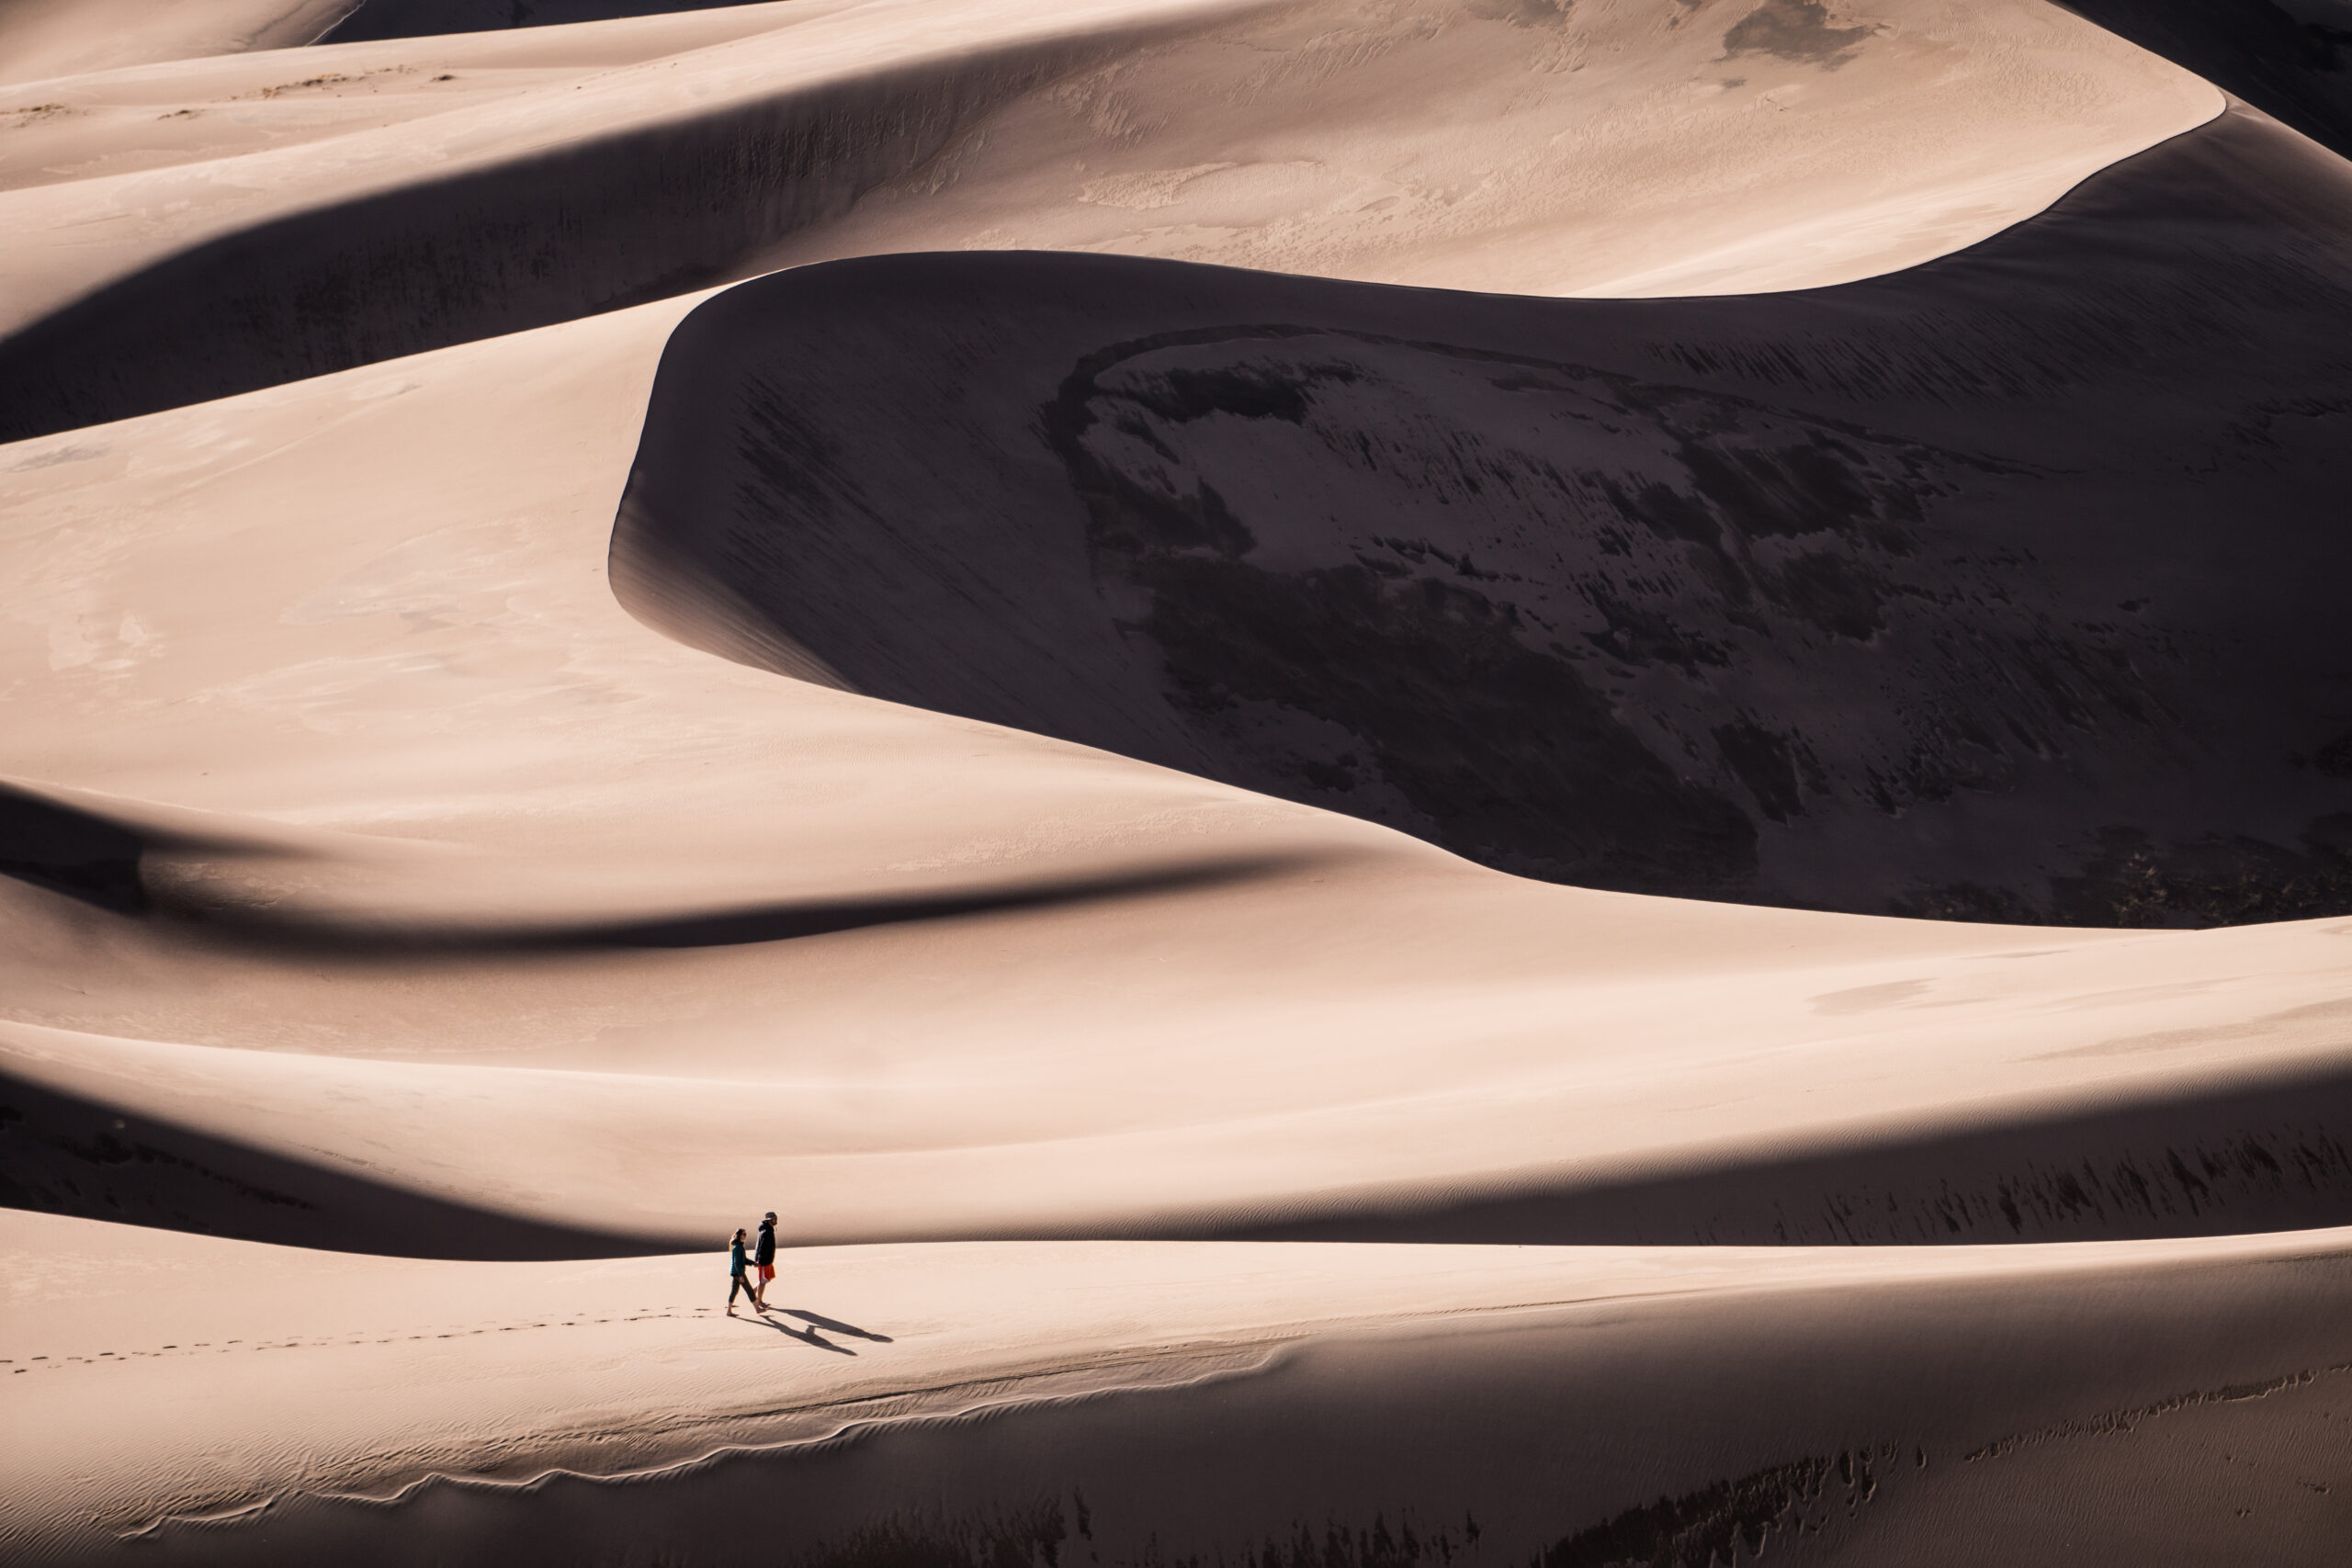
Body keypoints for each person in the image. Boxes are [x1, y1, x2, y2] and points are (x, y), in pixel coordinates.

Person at [752, 1211, 778, 1311]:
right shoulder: (766, 1231)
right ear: (769, 1220)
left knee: (767, 1278)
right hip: (764, 1260)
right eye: (774, 1218)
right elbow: (761, 1247)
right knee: (763, 1281)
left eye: (776, 1218)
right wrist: (758, 1260)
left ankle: (754, 1290)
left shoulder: (769, 1229)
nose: (776, 1220)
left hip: (768, 1260)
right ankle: (759, 1301)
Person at [727, 1227, 755, 1314]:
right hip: (738, 1273)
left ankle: (729, 1311)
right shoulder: (738, 1247)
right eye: (744, 1234)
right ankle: (757, 1308)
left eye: (746, 1234)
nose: (745, 1236)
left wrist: (753, 1263)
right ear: (739, 1235)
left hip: (735, 1272)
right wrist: (741, 1275)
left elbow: (743, 1260)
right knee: (750, 1290)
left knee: (734, 1291)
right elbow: (737, 1263)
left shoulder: (739, 1246)